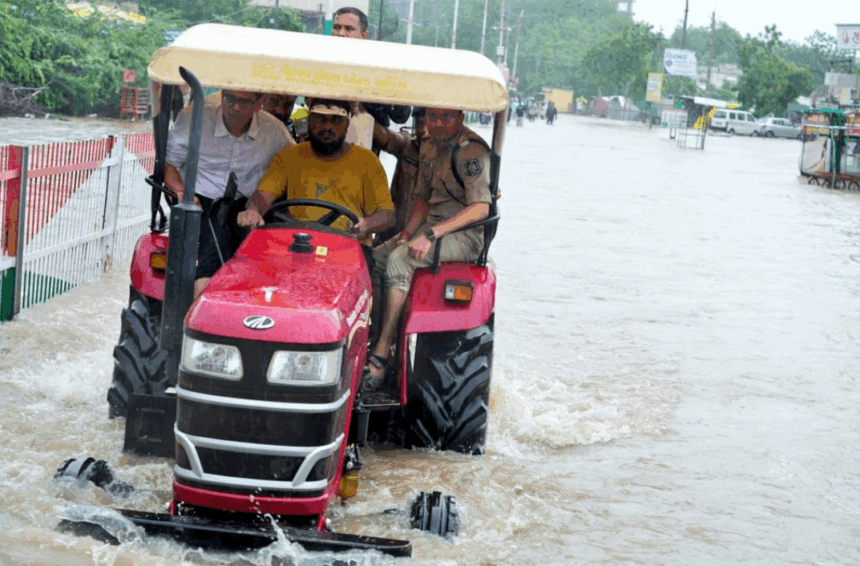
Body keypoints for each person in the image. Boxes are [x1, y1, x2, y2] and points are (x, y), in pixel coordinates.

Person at [364, 108, 492, 387]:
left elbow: (481, 208)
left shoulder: (471, 151)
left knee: (400, 260)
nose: (437, 124)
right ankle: (372, 337)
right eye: (432, 117)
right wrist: (408, 232)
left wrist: (431, 235)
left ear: (460, 118)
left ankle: (383, 354)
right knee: (373, 259)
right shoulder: (428, 147)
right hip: (430, 227)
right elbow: (422, 199)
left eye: (446, 118)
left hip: (464, 234)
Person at [165, 89, 294, 298]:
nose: (235, 107)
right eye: (231, 99)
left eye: (244, 102)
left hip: (250, 205)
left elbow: (292, 166)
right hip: (199, 200)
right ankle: (202, 310)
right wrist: (181, 192)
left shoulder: (275, 132)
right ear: (223, 95)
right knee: (217, 235)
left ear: (259, 103)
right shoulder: (192, 119)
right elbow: (170, 165)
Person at [237, 98, 394, 254]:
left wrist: (366, 225)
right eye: (320, 118)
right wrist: (253, 210)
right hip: (298, 244)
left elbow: (386, 214)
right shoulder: (289, 157)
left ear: (347, 122)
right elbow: (263, 196)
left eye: (336, 120)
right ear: (309, 119)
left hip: (348, 247)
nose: (327, 126)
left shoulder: (367, 161)